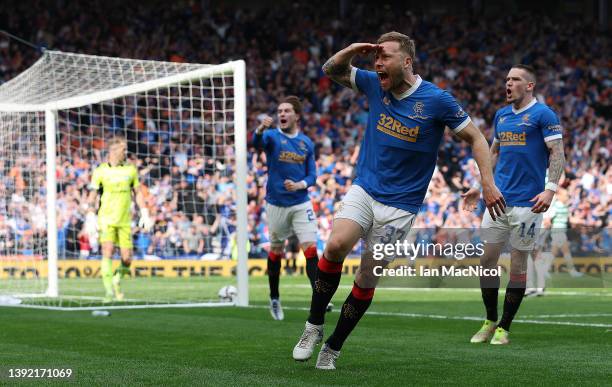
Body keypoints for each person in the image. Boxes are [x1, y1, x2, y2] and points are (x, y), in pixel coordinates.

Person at [292, 32, 504, 369]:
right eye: (375, 57)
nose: (377, 63)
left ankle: (333, 346)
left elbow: (477, 138)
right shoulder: (375, 84)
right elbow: (330, 69)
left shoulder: (437, 101)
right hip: (366, 187)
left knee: (366, 276)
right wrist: (351, 50)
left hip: (401, 206)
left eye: (385, 56)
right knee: (334, 247)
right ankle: (313, 326)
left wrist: (487, 183)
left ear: (406, 61)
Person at [463, 64, 566, 345]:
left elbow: (557, 153)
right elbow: (494, 153)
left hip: (528, 204)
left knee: (519, 265)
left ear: (529, 85)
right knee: (487, 261)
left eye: (515, 79)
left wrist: (550, 190)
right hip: (498, 199)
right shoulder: (502, 115)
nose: (508, 83)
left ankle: (504, 327)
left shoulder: (544, 115)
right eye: (507, 79)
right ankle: (489, 320)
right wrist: (478, 186)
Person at [253, 96, 320, 321]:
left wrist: (300, 184)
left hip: (301, 202)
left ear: (296, 116)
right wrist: (260, 130)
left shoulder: (306, 143)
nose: (282, 114)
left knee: (310, 248)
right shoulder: (272, 136)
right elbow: (257, 144)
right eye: (279, 110)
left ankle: (320, 297)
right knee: (276, 250)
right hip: (276, 203)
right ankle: (274, 297)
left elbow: (312, 175)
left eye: (287, 110)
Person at [88, 136, 154, 302]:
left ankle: (117, 279)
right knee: (107, 252)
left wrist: (144, 211)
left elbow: (137, 192)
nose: (126, 152)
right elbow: (93, 194)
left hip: (125, 219)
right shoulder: (100, 171)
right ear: (113, 151)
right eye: (123, 149)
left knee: (127, 258)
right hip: (106, 218)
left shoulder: (130, 170)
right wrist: (90, 214)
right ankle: (109, 291)